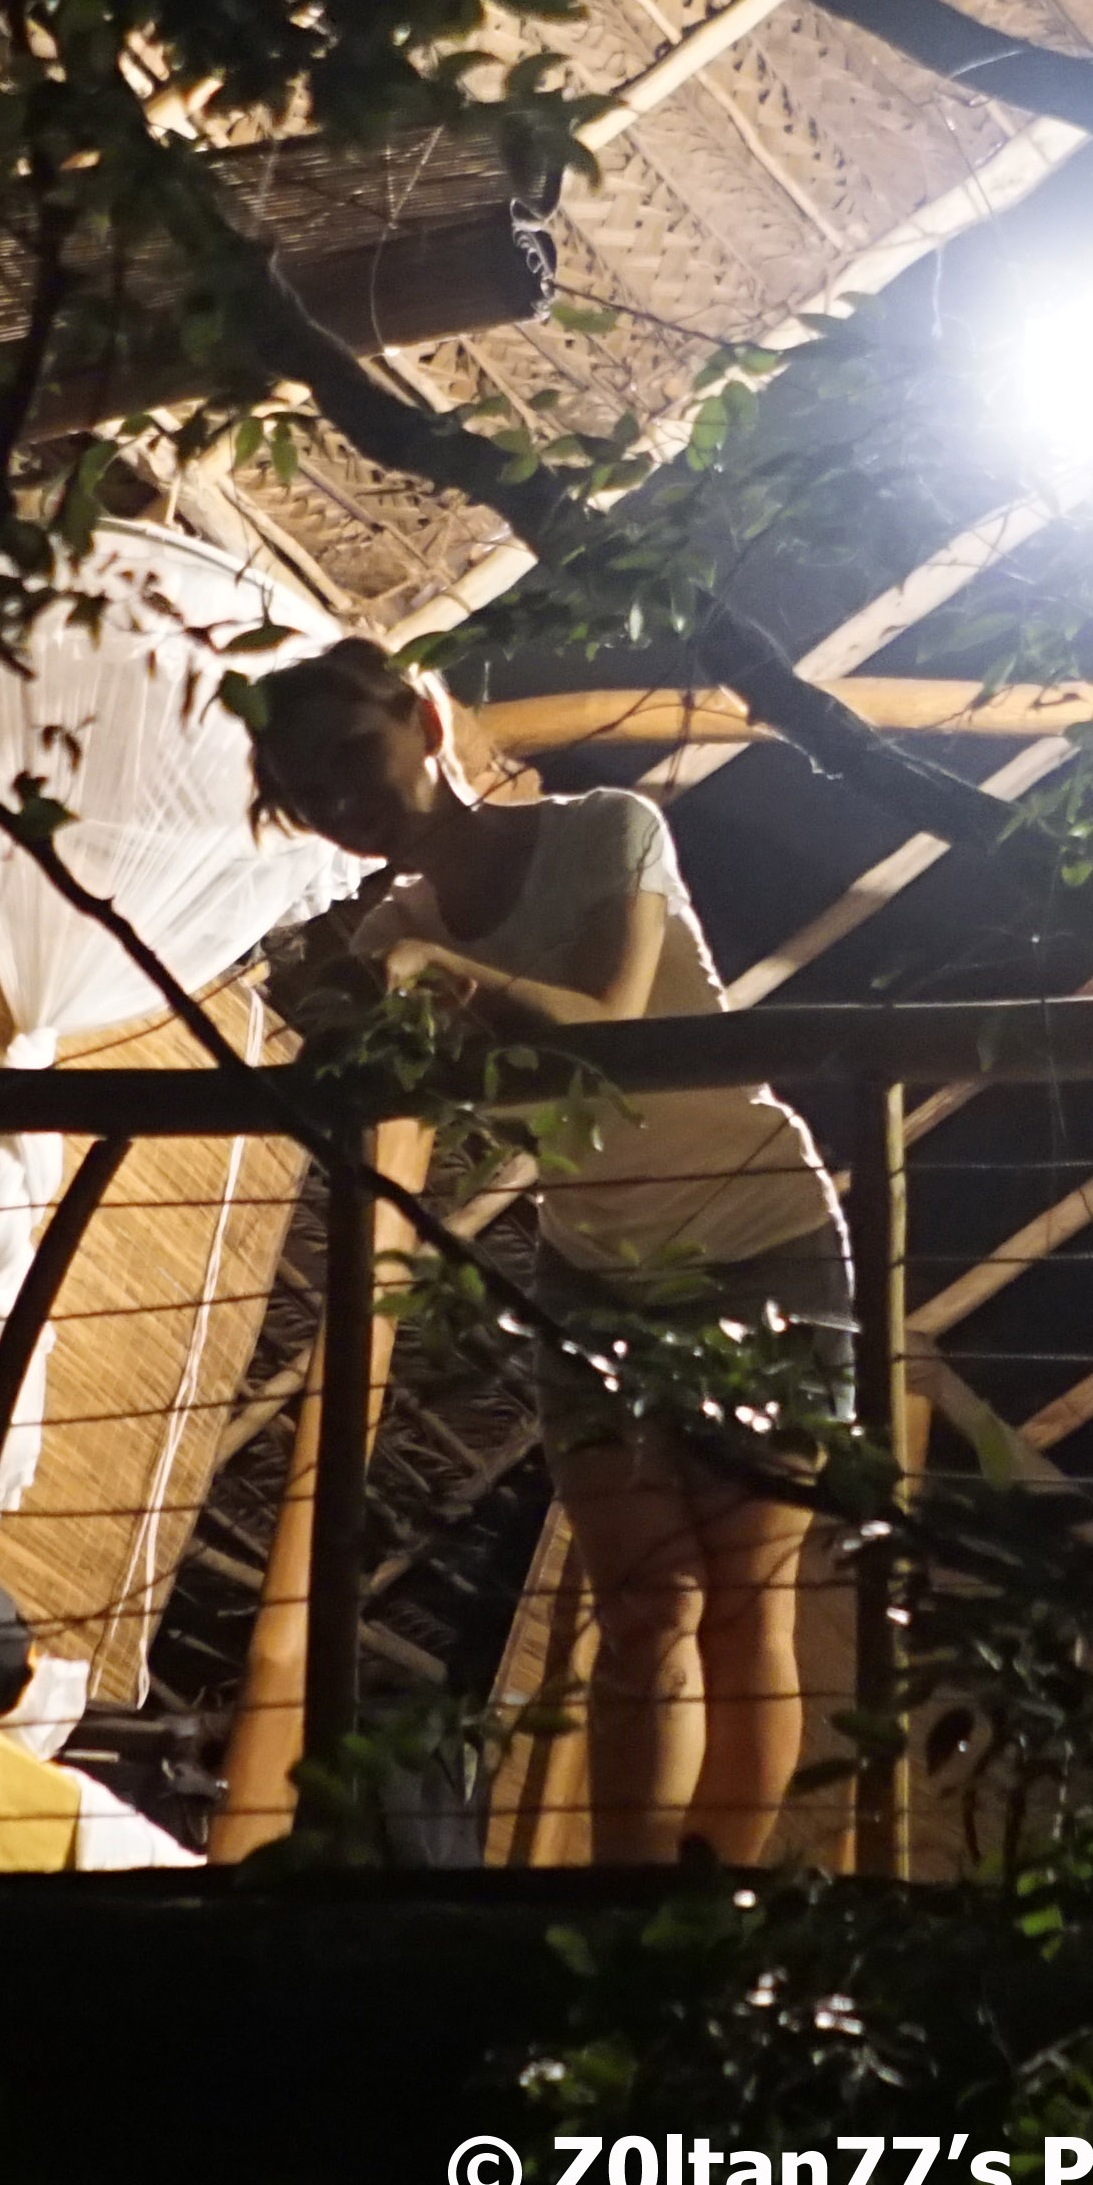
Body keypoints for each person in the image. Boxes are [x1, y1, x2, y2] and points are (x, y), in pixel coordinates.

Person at [242, 637, 847, 1867]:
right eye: (311, 791)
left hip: (758, 1236)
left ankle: (708, 1903)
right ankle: (623, 1899)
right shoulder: (390, 936)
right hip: (592, 1265)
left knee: (742, 1600)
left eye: (353, 754)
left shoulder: (603, 831)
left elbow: (608, 1032)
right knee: (643, 1604)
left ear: (425, 720)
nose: (344, 799)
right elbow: (355, 1082)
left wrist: (444, 973)